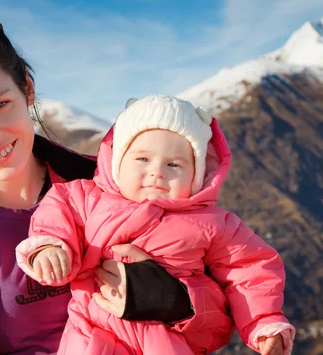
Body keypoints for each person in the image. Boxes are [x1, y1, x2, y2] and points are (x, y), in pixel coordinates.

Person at [0, 20, 233, 354]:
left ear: (27, 89)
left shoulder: (113, 191)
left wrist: (177, 303)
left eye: (0, 105)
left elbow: (222, 326)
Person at [16, 95, 296, 355]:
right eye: (142, 159)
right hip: (91, 331)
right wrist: (50, 247)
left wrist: (264, 322)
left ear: (197, 176)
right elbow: (56, 214)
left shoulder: (213, 223)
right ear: (117, 161)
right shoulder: (86, 198)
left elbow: (250, 269)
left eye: (174, 165)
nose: (157, 172)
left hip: (165, 339)